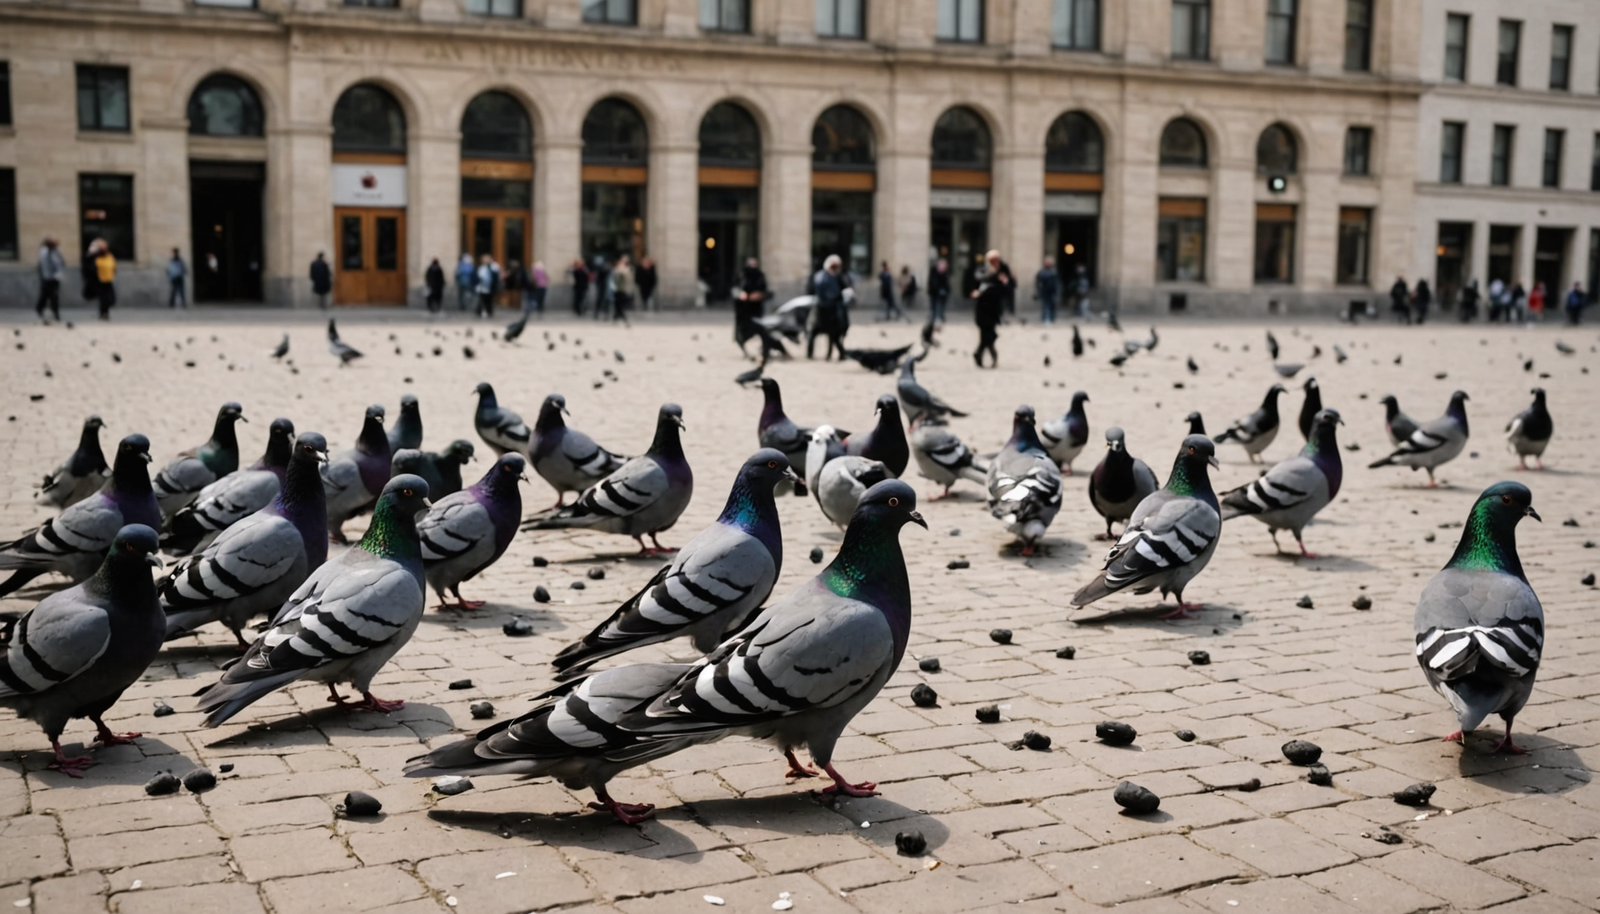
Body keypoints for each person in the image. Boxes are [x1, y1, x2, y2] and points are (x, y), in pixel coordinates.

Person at [971, 249, 1012, 368]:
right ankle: (986, 356)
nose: (995, 262)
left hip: (994, 308)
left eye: (997, 260)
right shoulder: (983, 270)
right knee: (987, 334)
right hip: (982, 308)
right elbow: (979, 279)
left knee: (990, 334)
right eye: (992, 260)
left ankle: (979, 353)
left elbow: (1008, 286)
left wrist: (1004, 281)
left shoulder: (1003, 270)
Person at [809, 254, 846, 360]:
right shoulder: (822, 276)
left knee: (832, 334)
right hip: (823, 309)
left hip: (831, 309)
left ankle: (833, 354)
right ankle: (811, 354)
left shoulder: (836, 277)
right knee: (814, 332)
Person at [734, 256, 769, 351]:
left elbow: (766, 291)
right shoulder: (742, 275)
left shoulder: (760, 276)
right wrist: (741, 294)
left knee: (758, 329)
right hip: (744, 308)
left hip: (756, 308)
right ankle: (745, 347)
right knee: (743, 330)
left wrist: (760, 295)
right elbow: (736, 289)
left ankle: (763, 348)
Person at [35, 237, 65, 323]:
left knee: (54, 296)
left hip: (55, 278)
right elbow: (43, 265)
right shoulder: (44, 251)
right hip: (47, 278)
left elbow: (61, 262)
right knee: (45, 295)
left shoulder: (56, 251)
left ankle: (55, 313)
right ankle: (40, 309)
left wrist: (59, 272)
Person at [89, 239, 117, 320]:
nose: (104, 249)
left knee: (110, 298)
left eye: (105, 247)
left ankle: (106, 312)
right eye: (102, 248)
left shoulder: (109, 256)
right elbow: (91, 268)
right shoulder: (95, 257)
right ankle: (103, 313)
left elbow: (114, 266)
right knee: (103, 298)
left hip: (109, 279)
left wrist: (113, 274)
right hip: (100, 280)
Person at [610, 253, 634, 325]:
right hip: (618, 290)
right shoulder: (617, 271)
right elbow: (614, 280)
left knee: (619, 306)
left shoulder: (627, 270)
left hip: (623, 290)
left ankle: (616, 319)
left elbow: (629, 279)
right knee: (619, 306)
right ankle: (624, 321)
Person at [1034, 255, 1059, 324]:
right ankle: (1046, 318)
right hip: (1044, 291)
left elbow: (1056, 283)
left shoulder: (1054, 272)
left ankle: (1052, 318)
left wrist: (1057, 292)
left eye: (1049, 262)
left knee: (1052, 305)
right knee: (1045, 305)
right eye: (1047, 262)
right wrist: (1038, 291)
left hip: (1052, 291)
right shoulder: (1042, 272)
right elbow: (1038, 282)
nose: (1048, 264)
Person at [927, 258, 951, 325]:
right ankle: (933, 318)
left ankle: (939, 317)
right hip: (933, 292)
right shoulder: (933, 271)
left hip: (941, 293)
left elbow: (946, 283)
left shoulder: (945, 273)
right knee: (933, 306)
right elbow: (931, 282)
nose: (943, 266)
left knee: (940, 305)